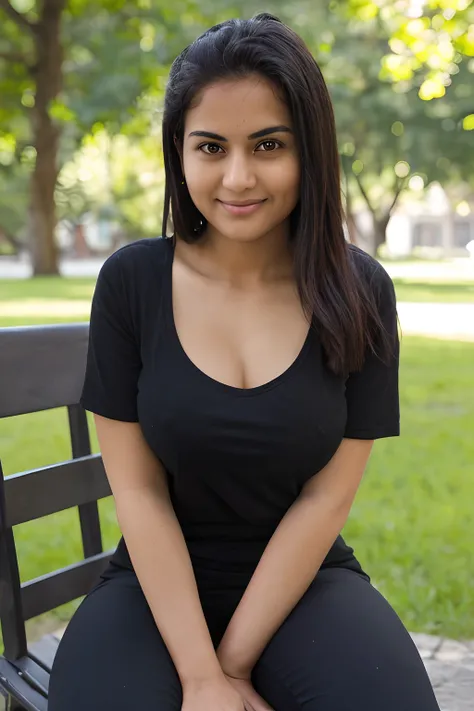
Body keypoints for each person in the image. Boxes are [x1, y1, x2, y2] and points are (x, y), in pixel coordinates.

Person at [49, 13, 441, 711]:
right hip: (151, 587)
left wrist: (229, 668)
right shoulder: (132, 283)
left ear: (309, 151)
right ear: (179, 152)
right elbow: (138, 494)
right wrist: (199, 675)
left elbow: (326, 499)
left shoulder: (360, 293)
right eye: (210, 146)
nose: (237, 176)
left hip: (306, 581)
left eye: (268, 145)